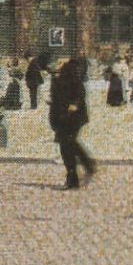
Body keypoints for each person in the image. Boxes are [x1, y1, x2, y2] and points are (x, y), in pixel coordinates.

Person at [48, 58, 96, 189]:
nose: (56, 64)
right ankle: (87, 166)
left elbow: (79, 92)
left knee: (67, 145)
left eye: (59, 62)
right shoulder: (55, 78)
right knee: (68, 145)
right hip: (61, 117)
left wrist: (73, 104)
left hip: (72, 117)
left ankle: (74, 177)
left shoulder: (71, 74)